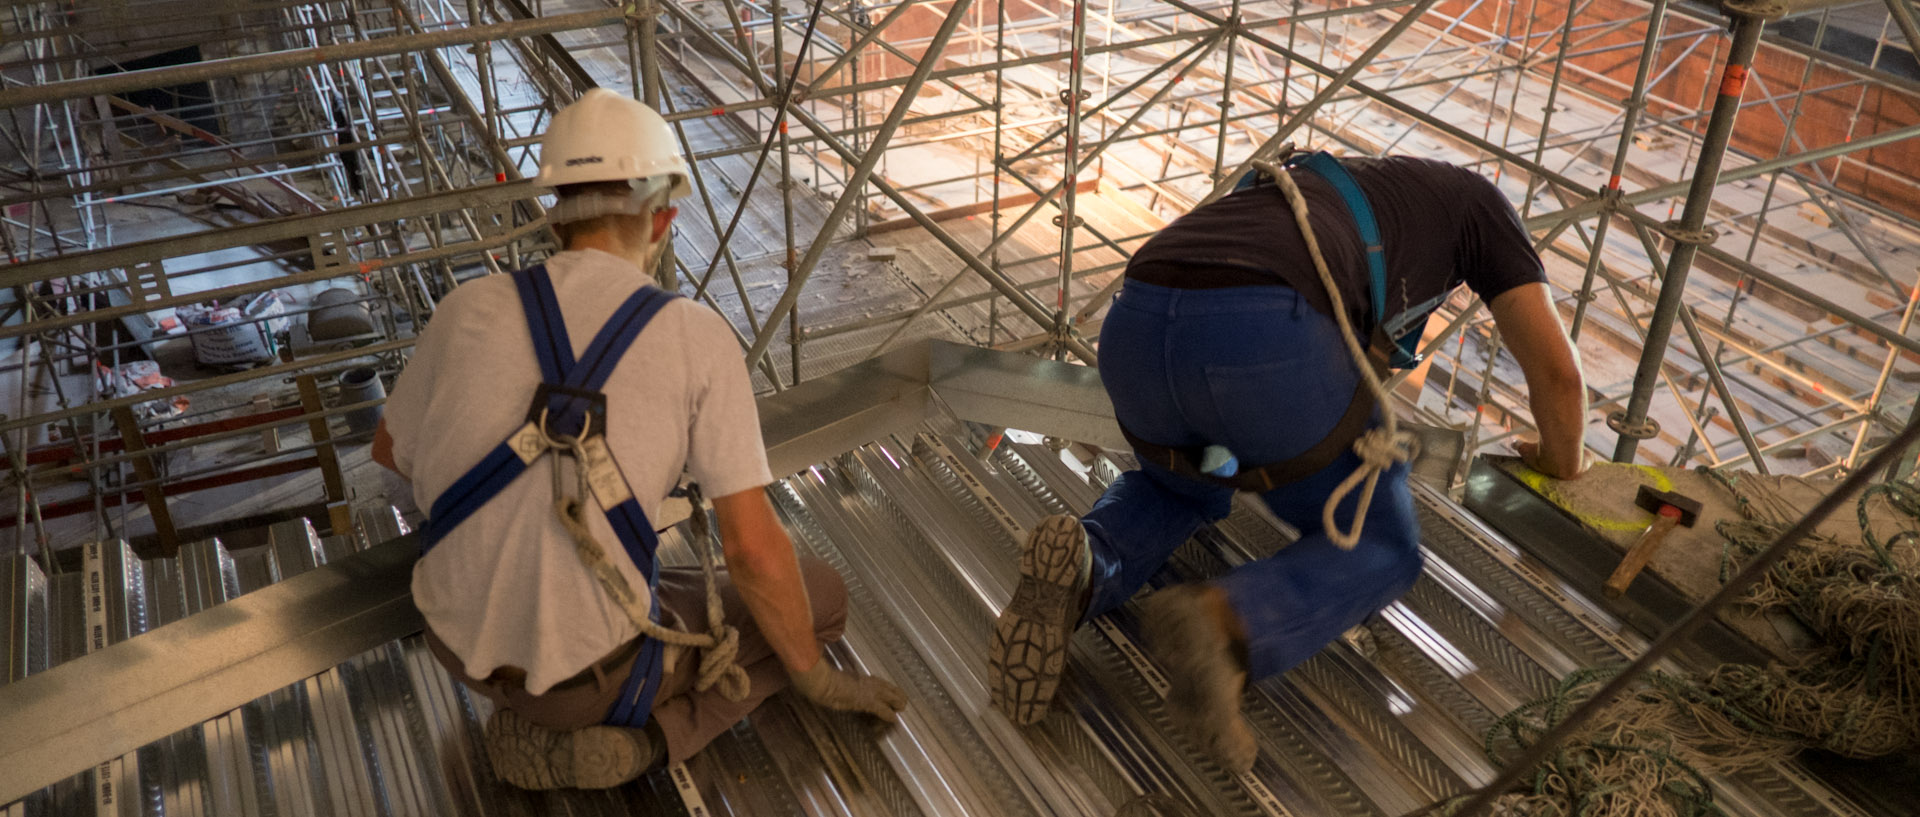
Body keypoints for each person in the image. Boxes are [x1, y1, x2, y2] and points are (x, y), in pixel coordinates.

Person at [372, 88, 906, 791]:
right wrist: (817, 682)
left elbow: (390, 453)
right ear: (664, 217)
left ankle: (553, 709)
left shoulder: (465, 306)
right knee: (819, 595)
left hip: (454, 645)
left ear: (555, 214)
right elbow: (751, 551)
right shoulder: (694, 337)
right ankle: (650, 743)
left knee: (669, 578)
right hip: (585, 689)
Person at [987, 151, 1588, 771]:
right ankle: (1224, 623)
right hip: (1261, 332)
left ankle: (1088, 565)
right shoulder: (1481, 206)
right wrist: (1559, 461)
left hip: (1135, 324)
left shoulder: (1322, 188)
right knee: (1380, 540)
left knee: (1184, 486)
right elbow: (1558, 378)